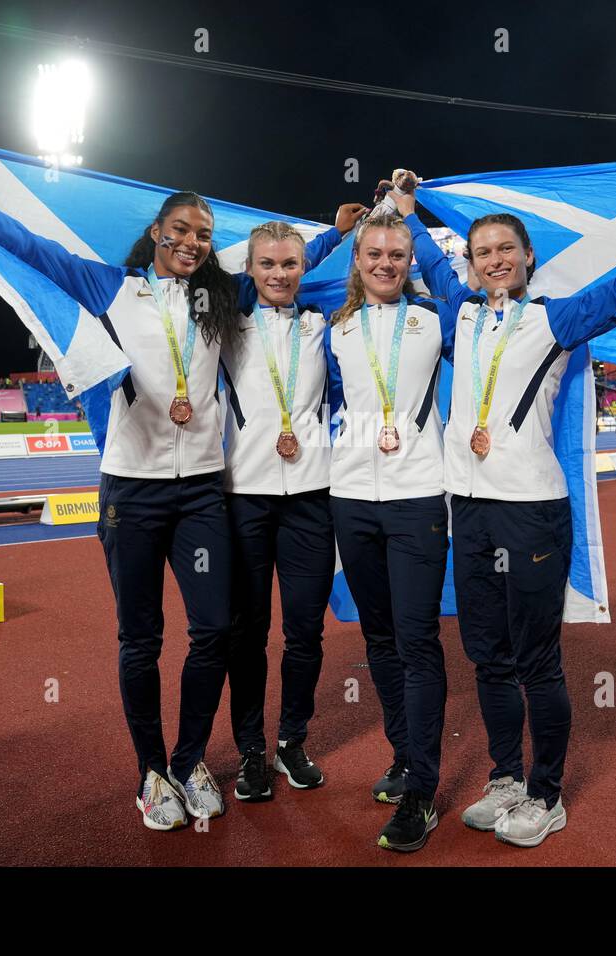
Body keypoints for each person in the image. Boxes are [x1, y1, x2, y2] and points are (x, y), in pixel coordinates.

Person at [0, 130, 273, 832]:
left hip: (200, 491)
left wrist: (368, 226)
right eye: (182, 230)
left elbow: (294, 264)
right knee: (140, 639)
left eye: (205, 234)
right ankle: (150, 773)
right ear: (157, 232)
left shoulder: (224, 298)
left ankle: (190, 759)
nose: (194, 242)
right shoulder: (109, 286)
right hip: (131, 491)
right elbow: (15, 239)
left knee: (214, 628)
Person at [394, 165, 616, 848]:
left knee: (536, 662)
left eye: (506, 250)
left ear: (528, 258)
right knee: (487, 658)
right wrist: (408, 211)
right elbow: (431, 260)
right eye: (482, 252)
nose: (493, 260)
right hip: (466, 508)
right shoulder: (458, 309)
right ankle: (504, 780)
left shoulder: (558, 318)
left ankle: (547, 792)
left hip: (529, 512)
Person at [218, 209, 368, 804]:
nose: (279, 274)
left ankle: (291, 741)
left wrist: (338, 236)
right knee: (246, 632)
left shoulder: (319, 323)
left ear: (305, 268)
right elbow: (208, 275)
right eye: (267, 264)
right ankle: (251, 749)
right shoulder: (229, 319)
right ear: (249, 269)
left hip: (310, 496)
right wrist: (330, 232)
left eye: (289, 264)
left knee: (305, 631)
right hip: (244, 497)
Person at [322, 211, 455, 852]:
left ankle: (423, 793)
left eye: (396, 254)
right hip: (351, 497)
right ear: (356, 260)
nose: (384, 262)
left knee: (417, 639)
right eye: (372, 253)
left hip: (417, 496)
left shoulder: (435, 320)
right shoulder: (337, 327)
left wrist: (413, 220)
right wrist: (329, 229)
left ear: (409, 260)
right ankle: (404, 756)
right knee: (378, 637)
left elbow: (455, 284)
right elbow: (259, 287)